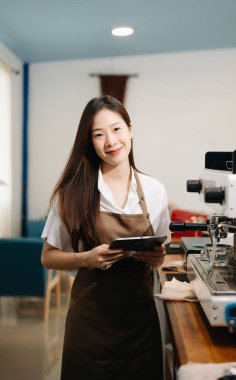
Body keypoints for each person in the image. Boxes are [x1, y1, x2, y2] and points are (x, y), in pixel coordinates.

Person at [41, 95, 170, 380]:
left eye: (116, 129)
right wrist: (86, 258)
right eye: (98, 135)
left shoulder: (154, 190)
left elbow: (161, 254)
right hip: (90, 327)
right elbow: (47, 257)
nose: (110, 141)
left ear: (130, 129)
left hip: (139, 325)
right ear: (89, 141)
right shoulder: (71, 194)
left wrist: (156, 257)